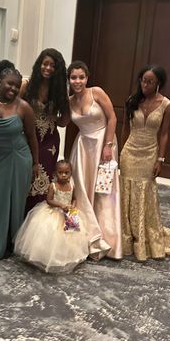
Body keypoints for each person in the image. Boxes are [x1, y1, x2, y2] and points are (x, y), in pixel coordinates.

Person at [120, 65, 170, 261]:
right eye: (143, 80)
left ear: (158, 83)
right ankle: (127, 235)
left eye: (150, 82)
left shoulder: (166, 104)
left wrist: (161, 158)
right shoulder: (132, 101)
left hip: (149, 153)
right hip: (129, 152)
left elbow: (164, 133)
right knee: (126, 192)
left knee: (144, 192)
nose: (145, 85)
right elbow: (125, 128)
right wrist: (120, 153)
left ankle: (142, 235)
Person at [0, 60, 38, 260]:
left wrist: (36, 164)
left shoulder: (24, 107)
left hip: (18, 157)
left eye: (17, 84)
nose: (13, 88)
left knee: (14, 202)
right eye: (9, 84)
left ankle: (12, 243)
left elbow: (32, 137)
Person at [68, 61, 122, 260]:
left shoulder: (96, 92)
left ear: (87, 78)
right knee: (81, 189)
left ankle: (108, 239)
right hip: (82, 147)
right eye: (74, 77)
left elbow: (112, 117)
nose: (78, 81)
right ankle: (83, 237)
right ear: (69, 79)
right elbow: (62, 121)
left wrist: (108, 145)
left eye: (81, 77)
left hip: (103, 143)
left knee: (103, 191)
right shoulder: (69, 100)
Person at [14, 159, 89, 273]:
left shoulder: (71, 186)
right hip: (53, 213)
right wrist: (60, 205)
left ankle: (65, 256)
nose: (63, 175)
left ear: (70, 173)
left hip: (68, 214)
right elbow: (49, 200)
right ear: (55, 173)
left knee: (70, 236)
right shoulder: (53, 185)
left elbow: (74, 198)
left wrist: (73, 206)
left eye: (66, 172)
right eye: (60, 172)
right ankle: (46, 256)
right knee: (51, 235)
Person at [21, 48, 70, 212]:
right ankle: (20, 222)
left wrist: (51, 117)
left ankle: (38, 224)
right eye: (45, 64)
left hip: (49, 142)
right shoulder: (26, 86)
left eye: (52, 65)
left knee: (44, 180)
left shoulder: (59, 91)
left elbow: (64, 121)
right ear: (39, 65)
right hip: (27, 138)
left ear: (58, 70)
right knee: (26, 178)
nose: (48, 68)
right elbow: (14, 109)